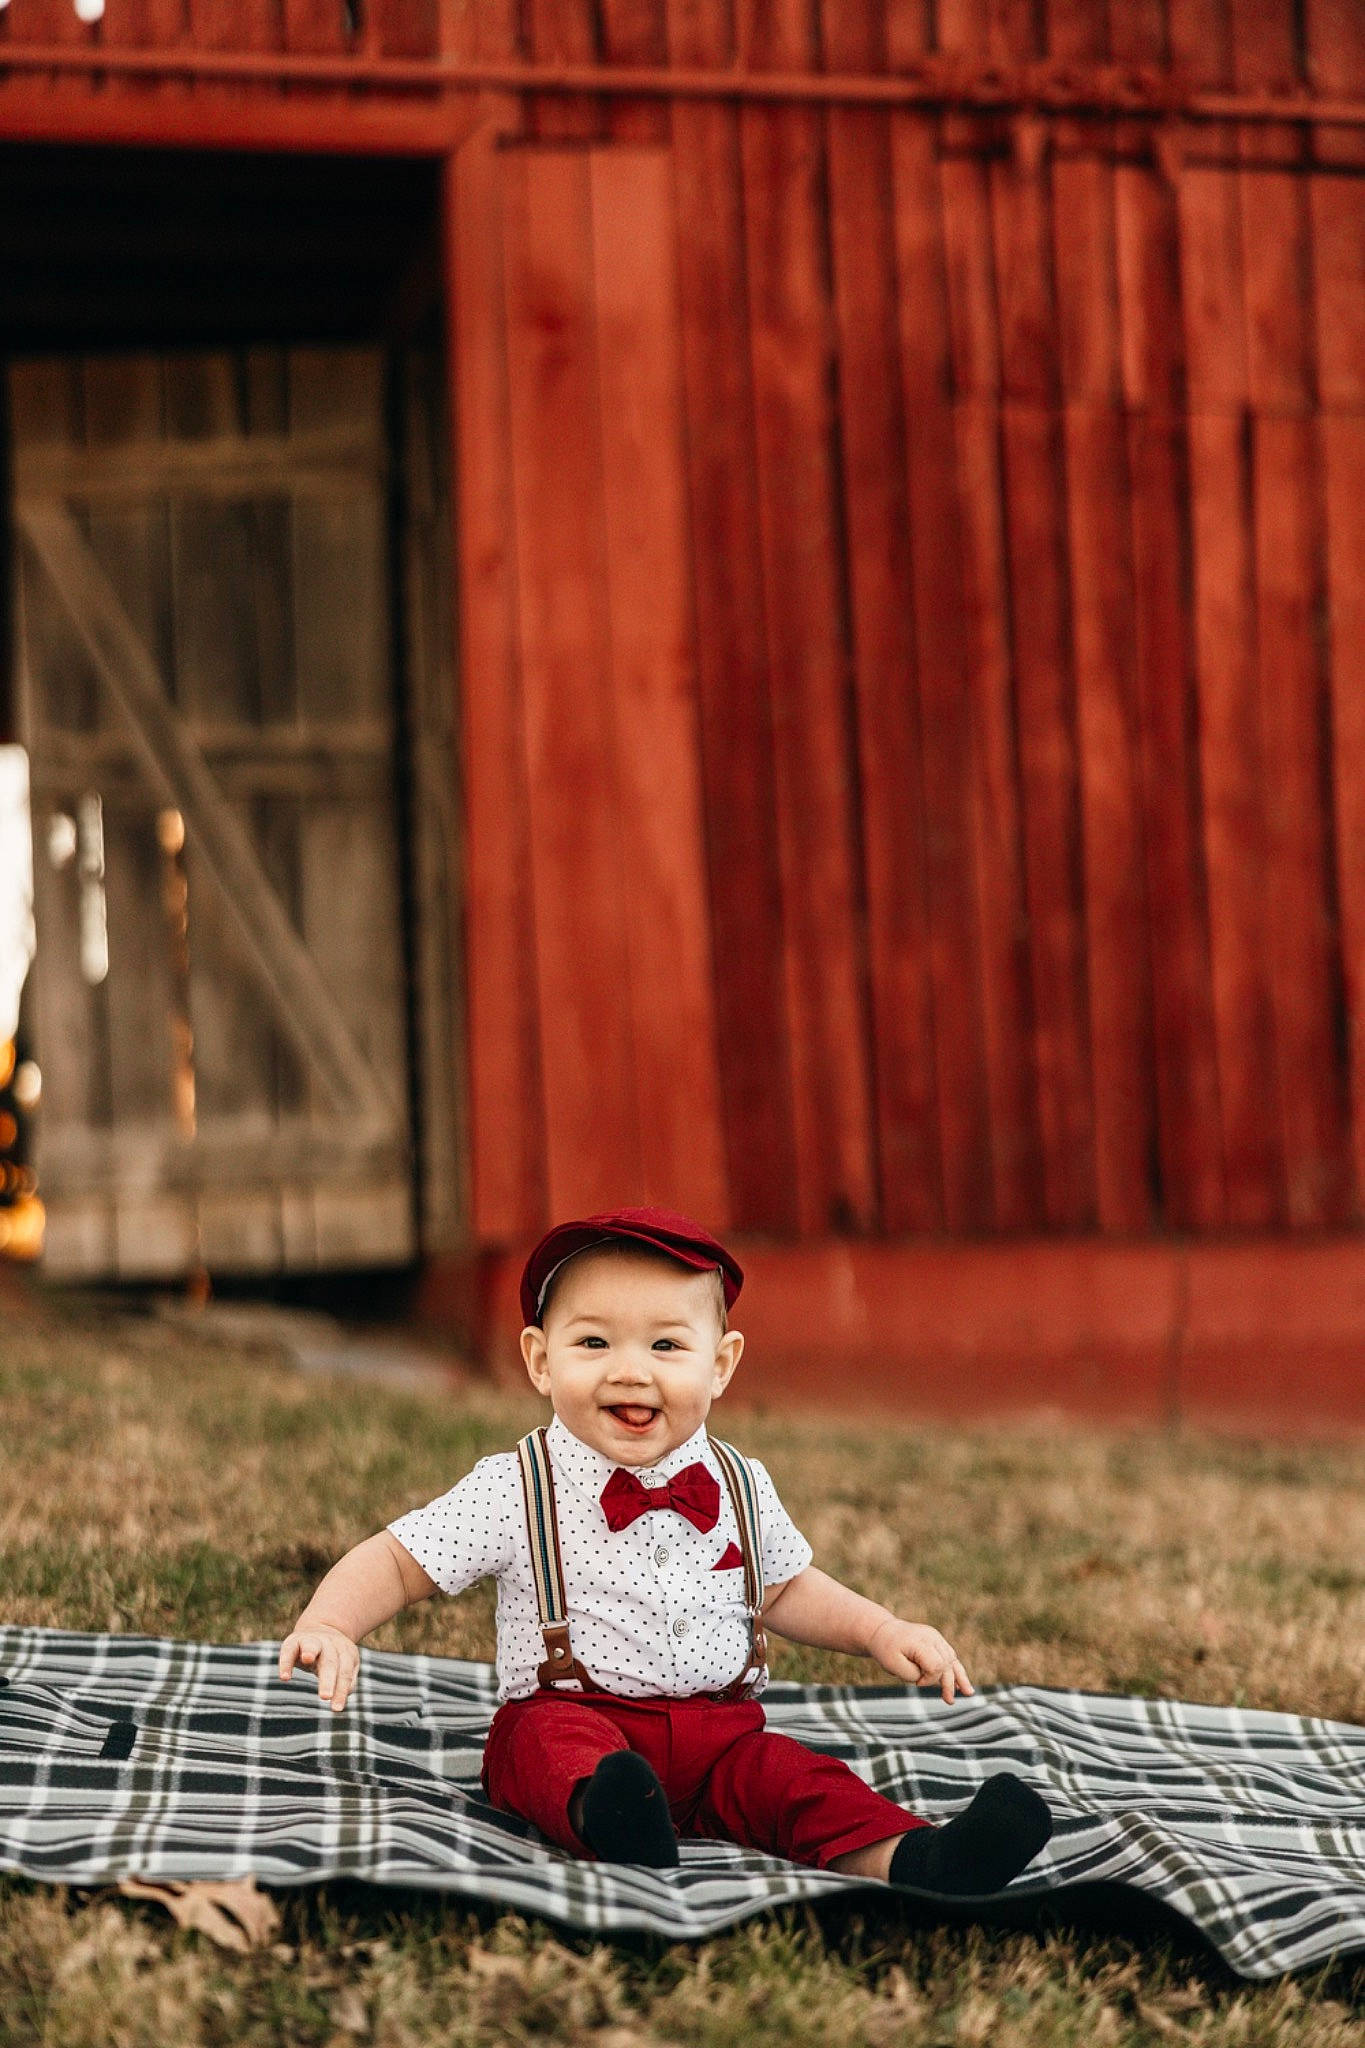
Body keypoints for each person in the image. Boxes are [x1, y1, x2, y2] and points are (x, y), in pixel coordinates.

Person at [279, 1207, 1052, 1891]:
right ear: (541, 1361)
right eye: (592, 1341)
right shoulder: (518, 1486)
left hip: (720, 1738)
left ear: (719, 1366)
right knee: (546, 1750)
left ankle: (916, 1857)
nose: (630, 1369)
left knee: (793, 1779)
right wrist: (331, 1623)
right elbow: (396, 1560)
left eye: (665, 1345)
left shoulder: (740, 1484)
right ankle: (611, 1819)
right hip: (577, 1713)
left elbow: (785, 1590)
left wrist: (884, 1630)